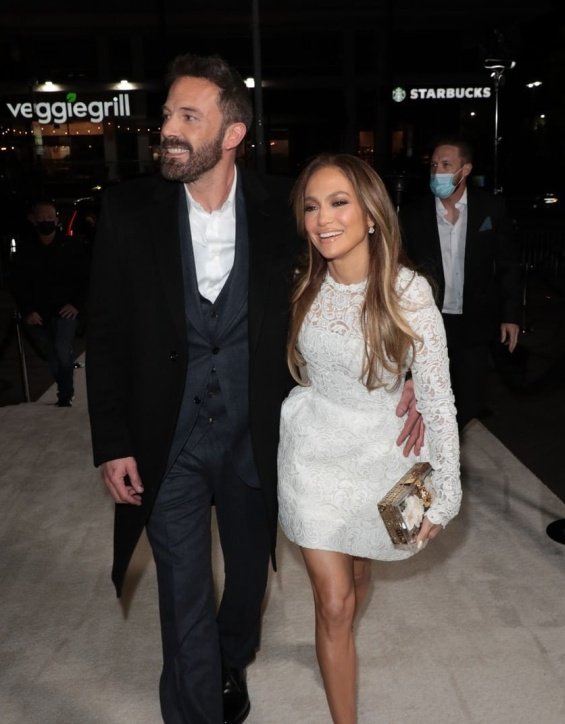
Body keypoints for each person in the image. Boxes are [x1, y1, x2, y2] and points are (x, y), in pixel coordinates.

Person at [85, 53, 423, 724]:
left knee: (245, 578)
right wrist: (113, 440)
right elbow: (107, 331)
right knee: (180, 589)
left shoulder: (282, 210)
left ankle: (231, 659)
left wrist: (405, 374)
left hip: (259, 437)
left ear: (232, 132)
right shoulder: (127, 211)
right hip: (167, 437)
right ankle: (194, 706)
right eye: (167, 116)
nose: (169, 131)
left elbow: (359, 279)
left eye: (189, 117)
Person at [277, 153, 462, 723]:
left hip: (383, 454)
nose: (322, 219)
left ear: (372, 214)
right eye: (311, 206)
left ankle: (339, 642)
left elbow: (435, 399)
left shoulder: (410, 293)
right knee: (333, 602)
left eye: (338, 202)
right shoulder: (303, 280)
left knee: (358, 578)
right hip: (312, 453)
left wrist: (445, 487)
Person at [399, 138, 522, 430]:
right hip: (428, 322)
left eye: (445, 165)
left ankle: (452, 455)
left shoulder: (490, 208)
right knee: (426, 397)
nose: (436, 171)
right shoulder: (414, 214)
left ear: (465, 170)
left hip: (475, 321)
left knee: (468, 399)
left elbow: (508, 264)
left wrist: (511, 315)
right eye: (433, 165)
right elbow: (401, 269)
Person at [9, 199, 88, 406]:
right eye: (42, 218)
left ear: (56, 219)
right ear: (33, 220)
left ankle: (65, 392)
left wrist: (76, 304)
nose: (46, 222)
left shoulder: (71, 246)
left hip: (65, 311)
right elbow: (17, 284)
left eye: (50, 218)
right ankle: (63, 391)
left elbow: (85, 278)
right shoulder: (26, 250)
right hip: (39, 313)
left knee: (62, 349)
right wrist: (28, 310)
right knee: (51, 354)